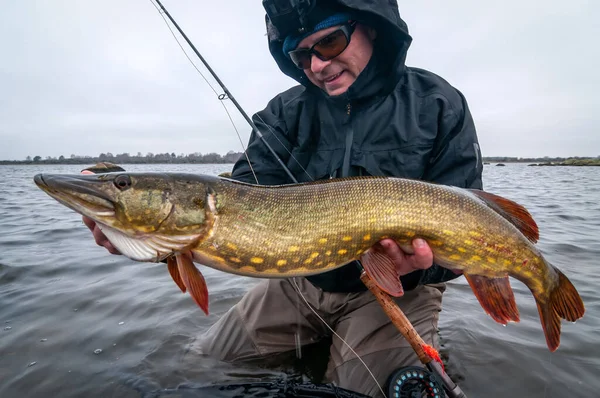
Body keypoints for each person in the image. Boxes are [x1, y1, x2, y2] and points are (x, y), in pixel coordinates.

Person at [83, 0, 483, 396]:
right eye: (302, 55)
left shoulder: (439, 104)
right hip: (301, 283)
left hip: (399, 290)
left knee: (360, 392)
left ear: (371, 27)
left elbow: (470, 226)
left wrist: (423, 269)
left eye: (330, 43)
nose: (317, 66)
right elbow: (242, 195)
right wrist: (148, 240)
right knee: (202, 366)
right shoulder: (282, 113)